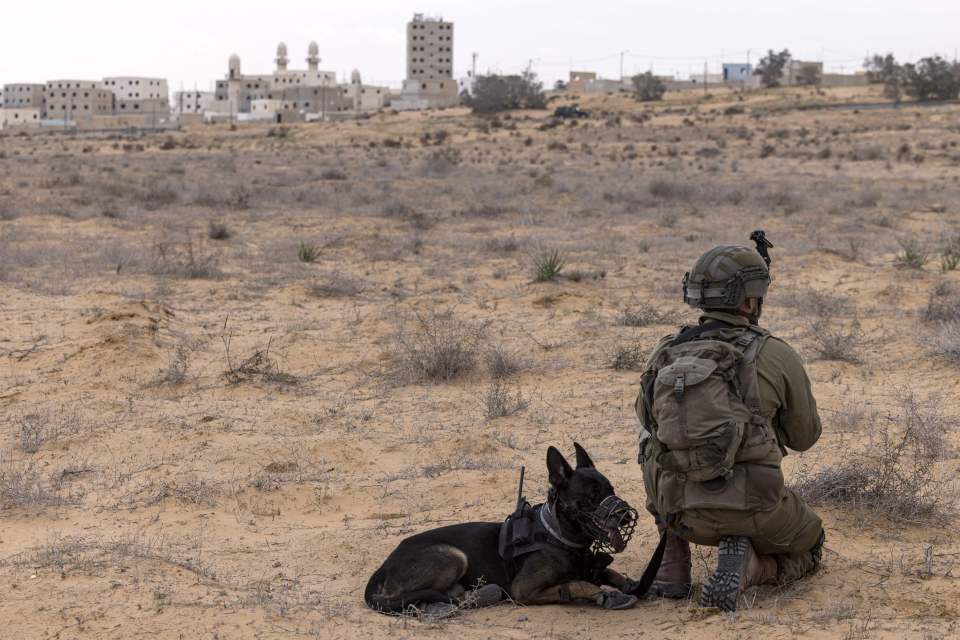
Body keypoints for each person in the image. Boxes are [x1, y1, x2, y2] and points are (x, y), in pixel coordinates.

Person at [634, 244, 825, 612]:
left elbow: (647, 421)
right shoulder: (776, 353)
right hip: (757, 509)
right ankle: (756, 567)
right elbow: (805, 438)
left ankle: (673, 563)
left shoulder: (666, 351)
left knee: (648, 438)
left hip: (682, 513)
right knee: (812, 544)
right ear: (750, 301)